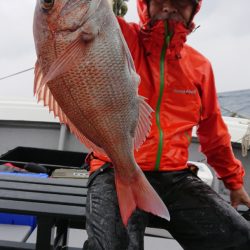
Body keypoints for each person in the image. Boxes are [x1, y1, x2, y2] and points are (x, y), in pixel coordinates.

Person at [83, 0, 250, 249]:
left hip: (173, 175)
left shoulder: (200, 67)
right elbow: (82, 13)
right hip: (114, 167)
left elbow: (214, 133)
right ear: (145, 5)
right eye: (161, 0)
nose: (170, 7)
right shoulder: (119, 38)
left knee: (240, 238)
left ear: (193, 10)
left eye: (181, 3)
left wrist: (234, 183)